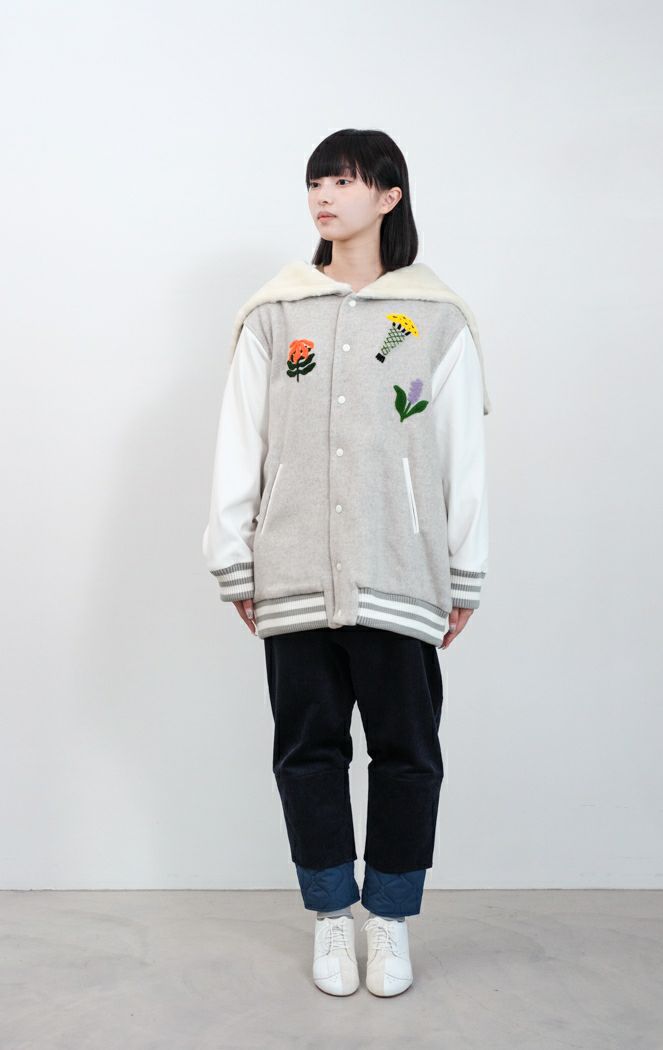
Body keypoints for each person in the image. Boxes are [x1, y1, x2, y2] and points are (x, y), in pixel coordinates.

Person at [202, 128, 491, 997]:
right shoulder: (275, 314)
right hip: (292, 566)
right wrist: (234, 556)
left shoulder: (436, 318)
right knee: (307, 751)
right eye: (316, 182)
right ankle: (333, 915)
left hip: (400, 568)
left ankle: (390, 921)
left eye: (345, 181)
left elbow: (460, 452)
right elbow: (240, 439)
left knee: (408, 753)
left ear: (389, 196)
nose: (325, 196)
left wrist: (465, 568)